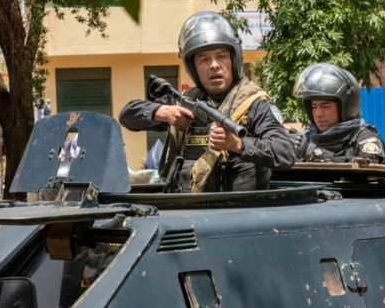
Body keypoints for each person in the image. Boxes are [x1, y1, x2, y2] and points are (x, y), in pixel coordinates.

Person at [119, 11, 295, 192]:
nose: (214, 65)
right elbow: (127, 115)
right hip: (188, 210)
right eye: (204, 59)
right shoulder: (188, 102)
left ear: (234, 59)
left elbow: (285, 152)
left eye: (221, 56)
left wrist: (238, 145)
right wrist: (162, 113)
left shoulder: (254, 103)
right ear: (193, 67)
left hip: (240, 211)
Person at [289, 63, 385, 164]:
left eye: (325, 106)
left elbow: (370, 169)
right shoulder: (308, 137)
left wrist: (313, 153)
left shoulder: (364, 138)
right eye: (314, 107)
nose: (318, 113)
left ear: (347, 106)